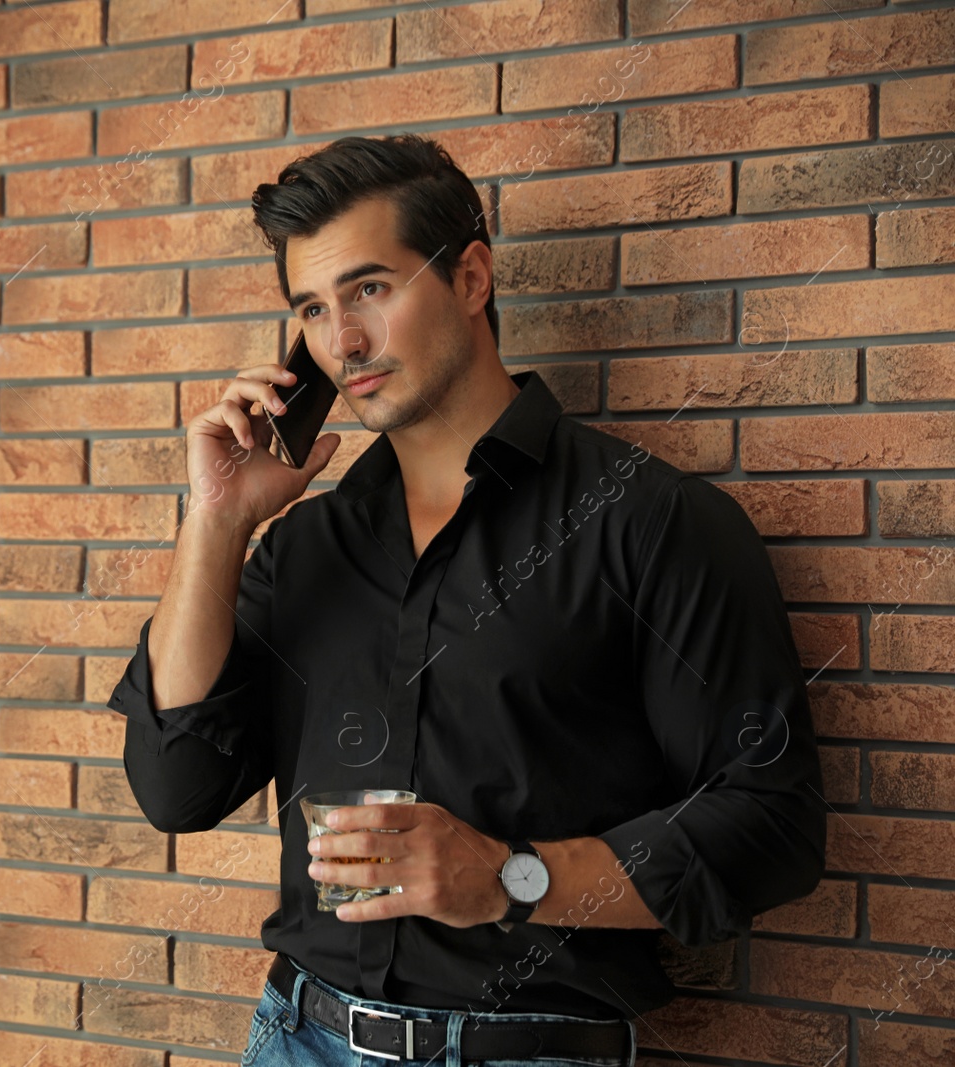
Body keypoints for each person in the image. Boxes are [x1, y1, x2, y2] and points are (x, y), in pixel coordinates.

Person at [104, 134, 827, 1066]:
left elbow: (774, 823)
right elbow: (174, 788)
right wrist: (215, 520)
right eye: (313, 310)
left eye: (371, 288)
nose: (344, 341)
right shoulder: (304, 547)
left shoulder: (650, 521)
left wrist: (511, 877)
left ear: (473, 276)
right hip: (297, 1038)